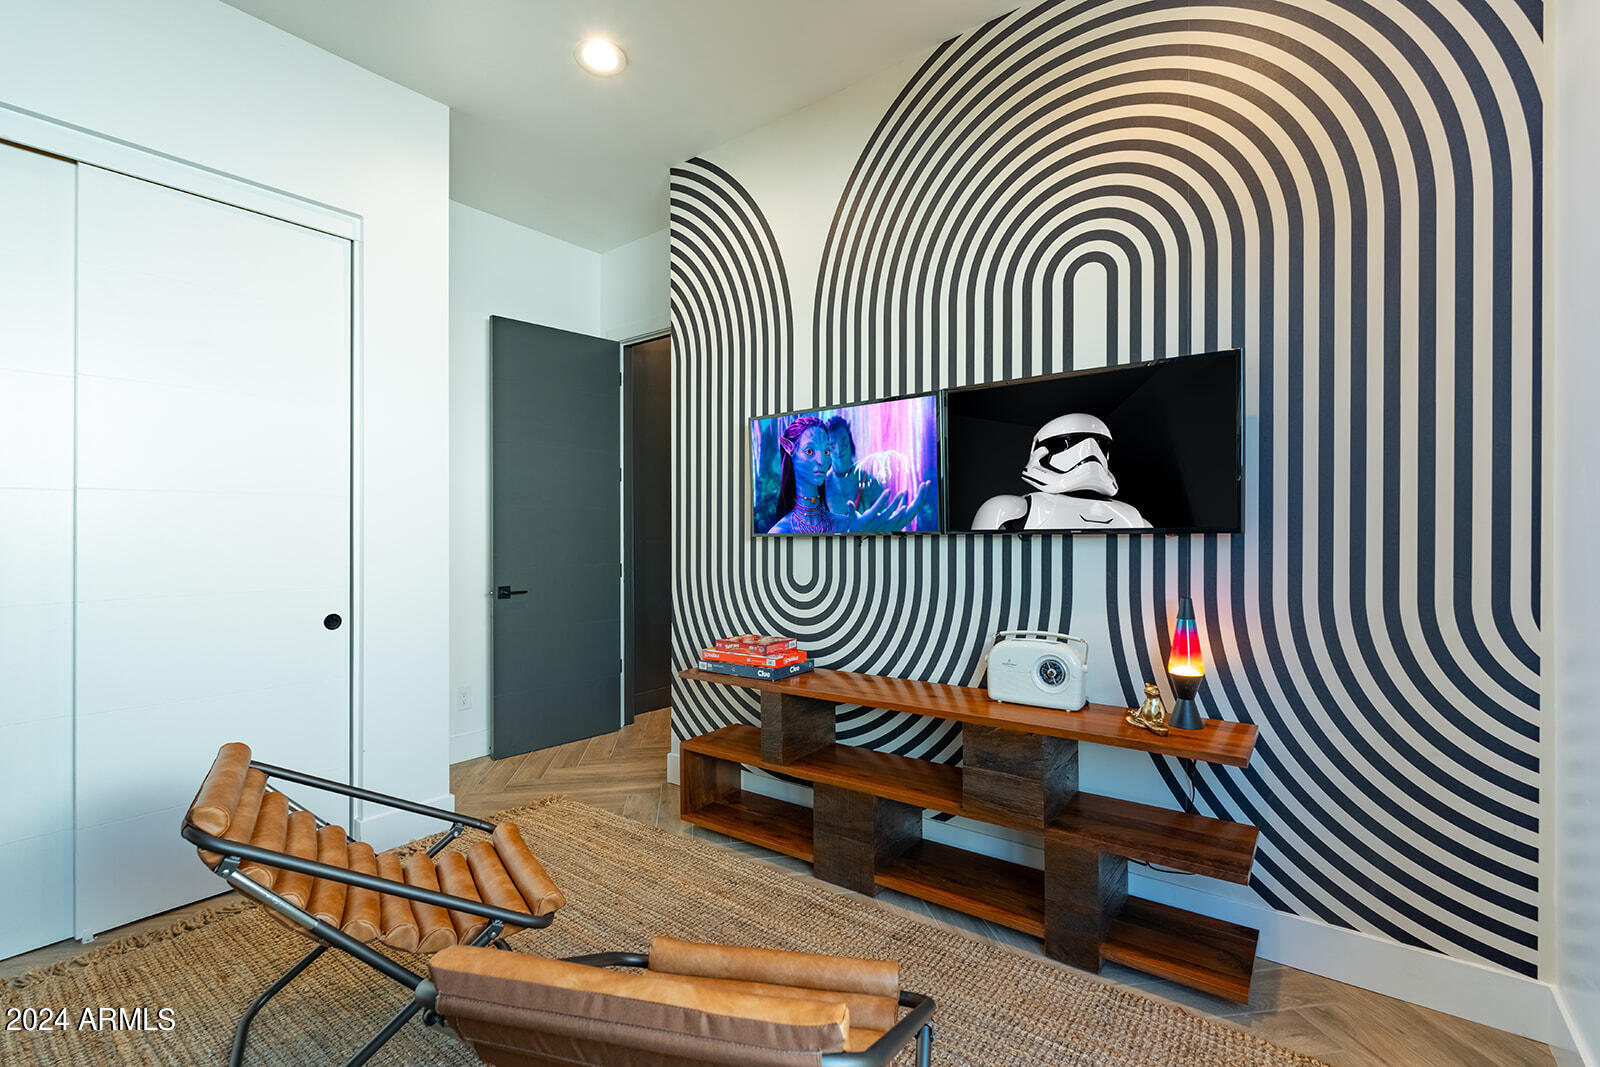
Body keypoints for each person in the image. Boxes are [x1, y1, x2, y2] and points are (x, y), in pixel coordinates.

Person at [971, 412, 1150, 530]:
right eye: (1069, 443)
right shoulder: (1009, 510)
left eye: (1100, 445)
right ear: (1040, 451)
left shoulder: (1134, 518)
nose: (1089, 452)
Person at [765, 415, 930, 534]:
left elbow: (888, 524)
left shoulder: (869, 483)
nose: (838, 450)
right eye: (810, 451)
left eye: (825, 451)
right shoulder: (782, 529)